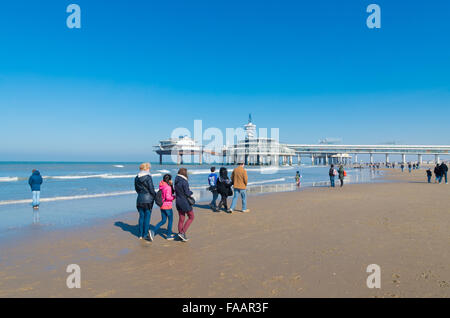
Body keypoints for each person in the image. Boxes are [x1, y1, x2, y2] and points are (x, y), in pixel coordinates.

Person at [135, 163, 157, 241]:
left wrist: (141, 194)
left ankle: (140, 235)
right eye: (149, 168)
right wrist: (155, 195)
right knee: (147, 217)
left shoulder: (136, 177)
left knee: (141, 217)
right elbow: (151, 189)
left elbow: (136, 189)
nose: (149, 169)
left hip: (140, 198)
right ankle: (145, 234)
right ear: (146, 168)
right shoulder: (148, 177)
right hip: (148, 199)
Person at [153, 174, 176, 240]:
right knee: (170, 220)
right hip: (167, 206)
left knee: (163, 220)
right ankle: (168, 235)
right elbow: (168, 197)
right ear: (169, 180)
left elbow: (170, 191)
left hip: (162, 205)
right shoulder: (167, 187)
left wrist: (171, 185)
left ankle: (153, 230)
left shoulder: (162, 185)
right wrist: (174, 197)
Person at [175, 168, 194, 242]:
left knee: (181, 219)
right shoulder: (184, 181)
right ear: (185, 173)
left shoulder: (176, 180)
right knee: (191, 217)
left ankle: (180, 234)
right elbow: (187, 193)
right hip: (184, 202)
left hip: (178, 201)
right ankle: (182, 233)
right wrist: (191, 192)